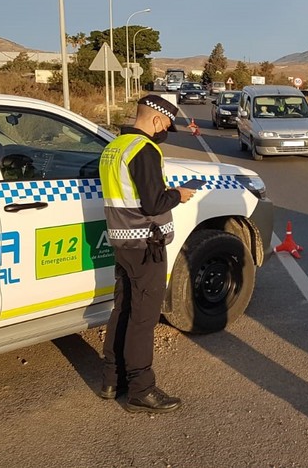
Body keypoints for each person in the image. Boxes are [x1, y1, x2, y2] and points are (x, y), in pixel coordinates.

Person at [98, 94, 196, 413]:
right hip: (146, 245)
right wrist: (178, 194)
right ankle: (141, 389)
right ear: (156, 119)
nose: (165, 131)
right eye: (166, 124)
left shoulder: (115, 147)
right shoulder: (144, 149)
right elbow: (154, 203)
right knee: (143, 317)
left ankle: (112, 380)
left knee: (123, 309)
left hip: (122, 241)